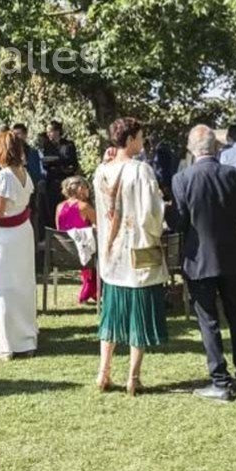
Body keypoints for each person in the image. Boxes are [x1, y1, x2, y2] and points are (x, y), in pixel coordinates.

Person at [170, 125, 236, 402]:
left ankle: (220, 380)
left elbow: (178, 223)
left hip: (199, 258)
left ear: (192, 149)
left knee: (208, 321)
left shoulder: (183, 179)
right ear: (216, 148)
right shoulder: (235, 176)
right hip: (230, 255)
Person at [91, 117, 167, 396]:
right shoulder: (141, 170)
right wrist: (161, 213)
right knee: (139, 315)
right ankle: (133, 378)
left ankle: (103, 372)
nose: (143, 141)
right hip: (137, 249)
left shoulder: (101, 171)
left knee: (111, 314)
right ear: (131, 138)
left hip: (112, 253)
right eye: (140, 136)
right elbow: (151, 212)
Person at [0, 130, 38, 359]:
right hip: (22, 233)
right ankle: (25, 338)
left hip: (5, 237)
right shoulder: (22, 172)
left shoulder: (4, 177)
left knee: (3, 286)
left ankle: (5, 344)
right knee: (22, 285)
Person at [56, 175, 97, 305]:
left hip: (65, 253)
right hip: (84, 254)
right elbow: (101, 226)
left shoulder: (59, 207)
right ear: (79, 189)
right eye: (86, 188)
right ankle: (91, 291)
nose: (88, 191)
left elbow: (59, 229)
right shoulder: (84, 207)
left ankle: (92, 291)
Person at [42, 120, 79, 229]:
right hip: (52, 182)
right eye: (47, 132)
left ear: (57, 131)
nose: (49, 134)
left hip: (66, 181)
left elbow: (72, 162)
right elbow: (45, 163)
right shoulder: (47, 146)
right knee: (53, 208)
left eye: (50, 131)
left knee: (67, 207)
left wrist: (58, 163)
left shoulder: (68, 145)